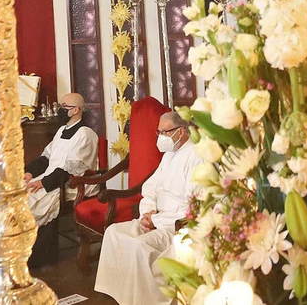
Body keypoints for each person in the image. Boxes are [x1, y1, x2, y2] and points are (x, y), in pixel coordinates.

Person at [94, 111, 202, 305]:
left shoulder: (196, 156)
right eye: (158, 132)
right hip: (154, 217)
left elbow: (194, 207)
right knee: (113, 232)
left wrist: (156, 220)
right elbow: (150, 187)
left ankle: (143, 300)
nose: (161, 137)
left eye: (165, 132)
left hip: (175, 226)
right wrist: (147, 213)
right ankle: (118, 292)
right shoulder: (169, 155)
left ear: (182, 131)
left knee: (138, 245)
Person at [25, 93, 100, 227]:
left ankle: (44, 246)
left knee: (31, 204)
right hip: (52, 177)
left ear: (75, 110)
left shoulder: (85, 134)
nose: (60, 110)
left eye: (64, 106)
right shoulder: (61, 131)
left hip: (70, 183)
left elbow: (73, 168)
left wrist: (44, 182)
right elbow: (47, 157)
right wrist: (30, 172)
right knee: (18, 194)